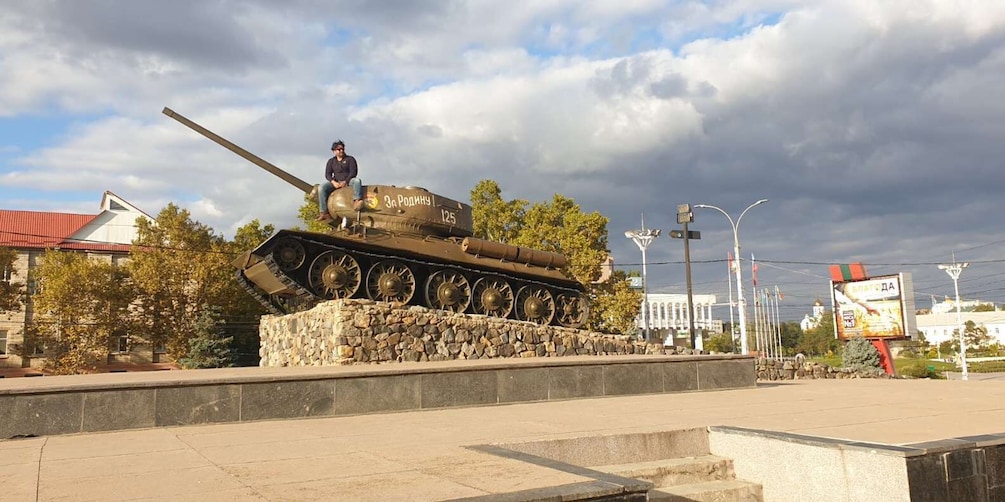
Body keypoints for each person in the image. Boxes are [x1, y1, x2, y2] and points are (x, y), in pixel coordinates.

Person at [317, 140, 363, 221]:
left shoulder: (350, 159)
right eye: (339, 149)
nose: (341, 151)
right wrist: (333, 182)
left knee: (357, 181)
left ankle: (357, 200)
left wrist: (345, 181)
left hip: (349, 181)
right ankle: (323, 212)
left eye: (342, 149)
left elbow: (353, 172)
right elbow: (327, 174)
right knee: (321, 187)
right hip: (336, 182)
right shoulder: (331, 161)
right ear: (334, 151)